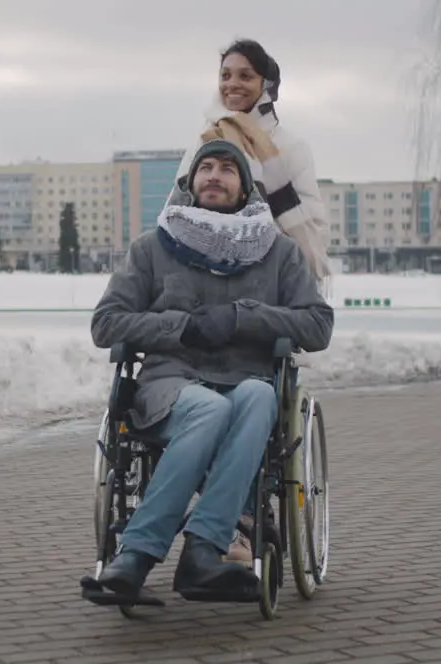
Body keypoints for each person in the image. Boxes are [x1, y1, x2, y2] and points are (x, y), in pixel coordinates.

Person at [84, 139, 334, 603]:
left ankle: (202, 550)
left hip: (247, 381)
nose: (214, 176)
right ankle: (137, 554)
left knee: (259, 398)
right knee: (209, 410)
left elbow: (317, 324)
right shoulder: (152, 249)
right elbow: (106, 324)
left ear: (245, 190)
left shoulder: (278, 253)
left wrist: (244, 317)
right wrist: (181, 327)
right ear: (190, 182)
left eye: (227, 169)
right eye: (206, 168)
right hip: (172, 385)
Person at [176, 38, 332, 291]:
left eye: (245, 76)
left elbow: (313, 227)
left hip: (273, 281)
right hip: (205, 278)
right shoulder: (205, 140)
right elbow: (179, 207)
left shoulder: (290, 147)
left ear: (265, 84)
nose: (232, 84)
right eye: (225, 75)